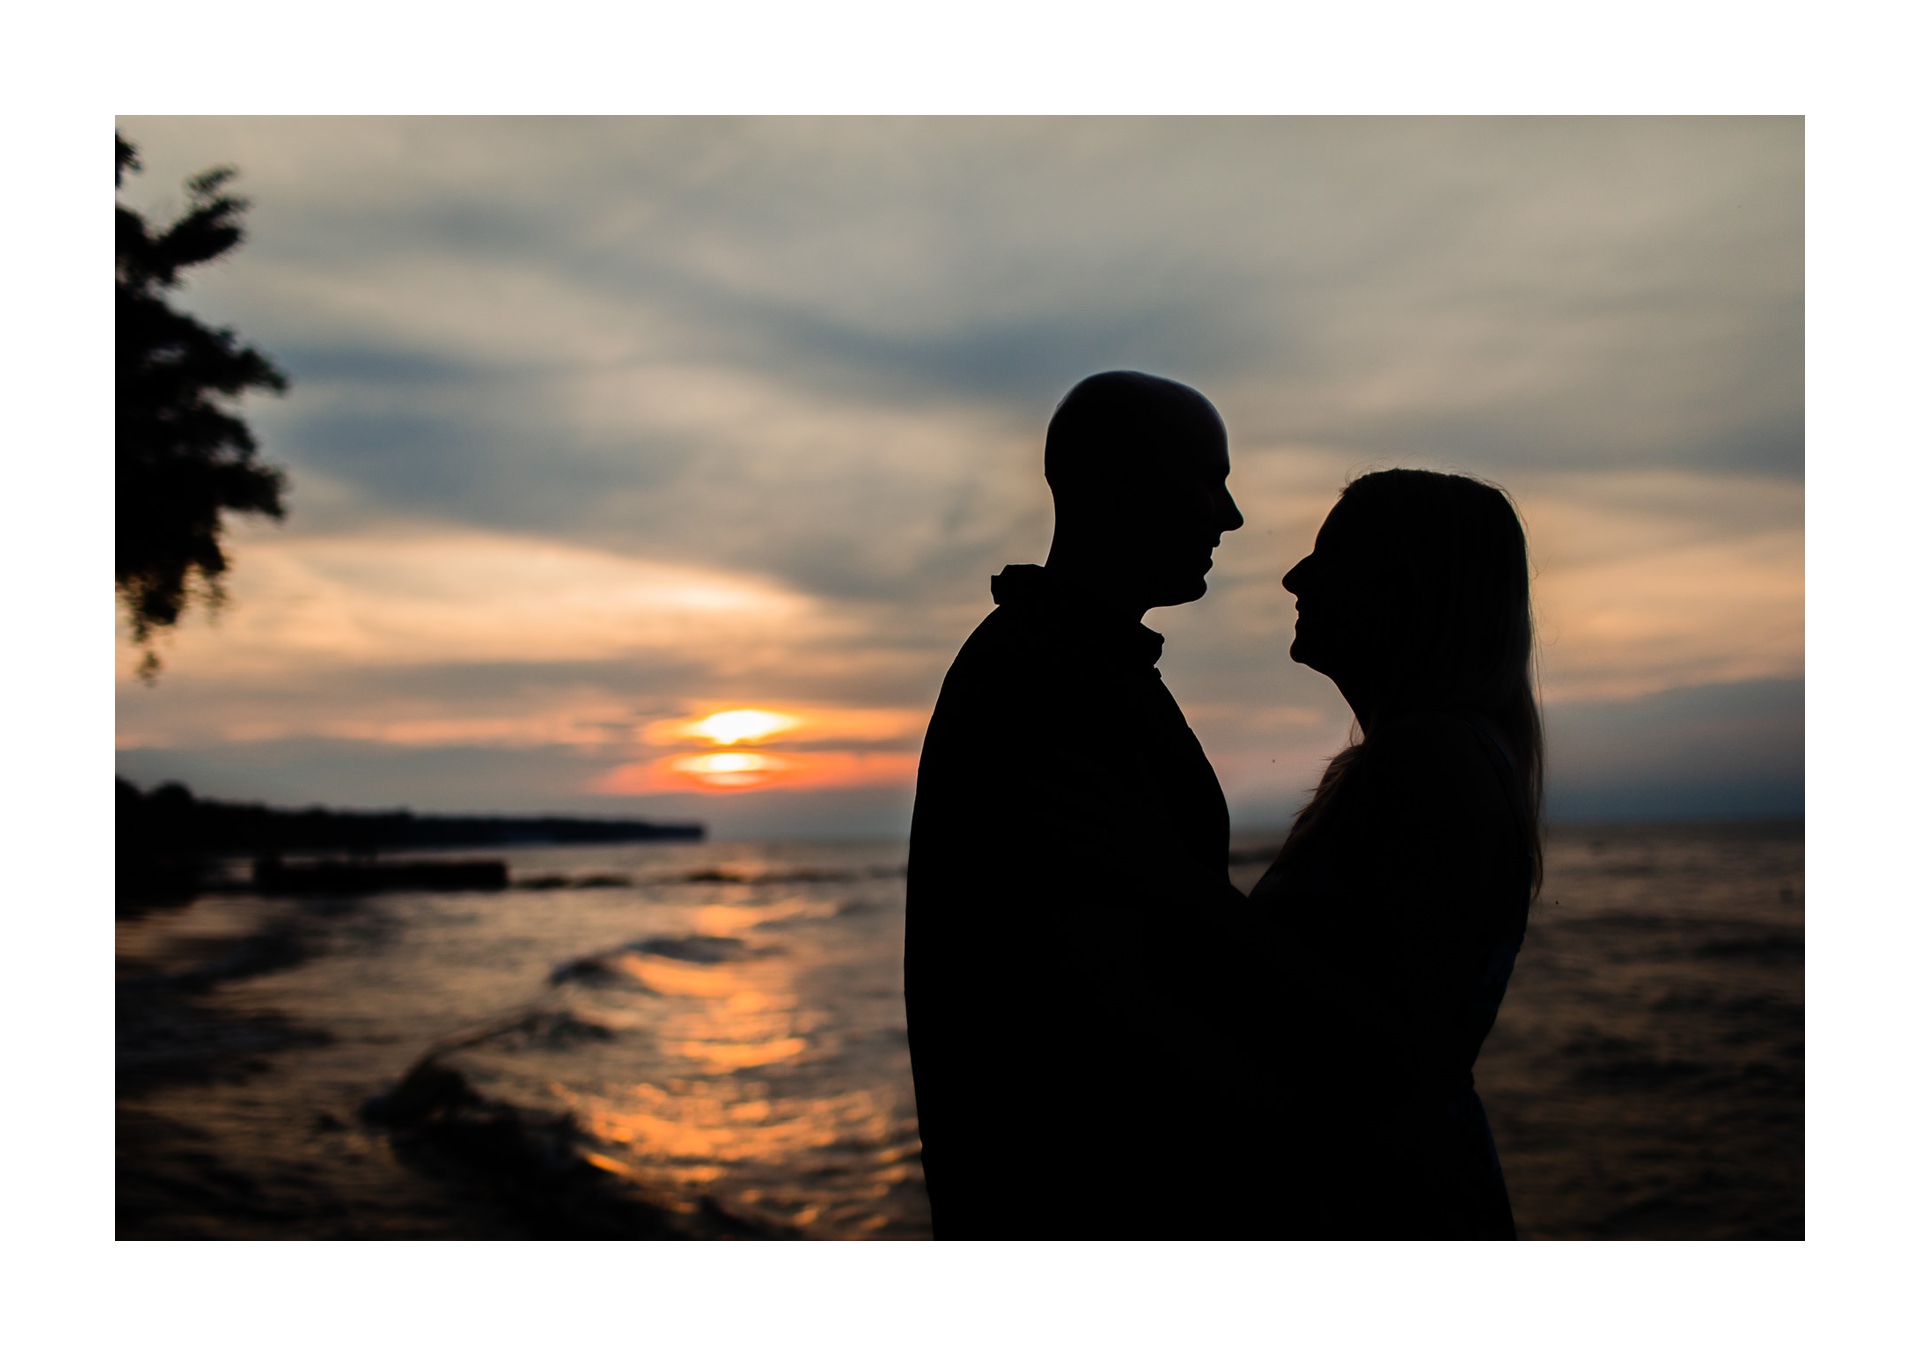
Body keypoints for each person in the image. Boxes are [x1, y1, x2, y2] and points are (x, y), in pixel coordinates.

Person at [904, 371, 1249, 1240]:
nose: (1230, 516)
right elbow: (1088, 982)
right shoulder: (1043, 680)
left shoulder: (1074, 663)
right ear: (1123, 482)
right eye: (1209, 479)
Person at [1249, 468, 1542, 1239]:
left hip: (1379, 1203)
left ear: (1407, 589)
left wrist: (1180, 899)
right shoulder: (1450, 754)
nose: (1294, 576)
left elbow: (1389, 1040)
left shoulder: (1428, 761)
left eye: (1331, 557)